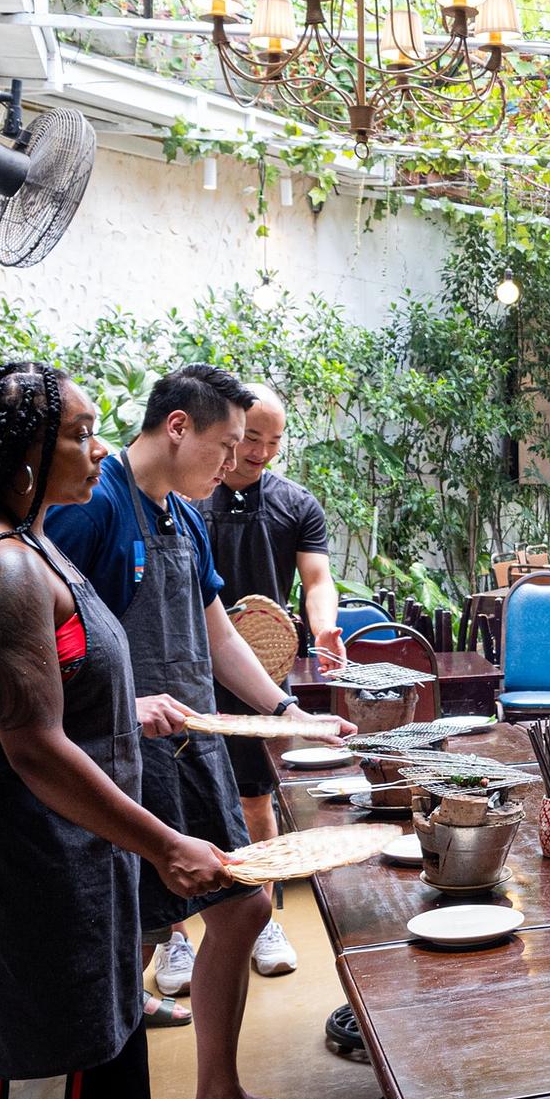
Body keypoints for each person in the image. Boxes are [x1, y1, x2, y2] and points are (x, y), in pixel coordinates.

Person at [0, 363, 232, 1099]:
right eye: (78, 434)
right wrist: (164, 842)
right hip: (20, 845)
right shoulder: (5, 569)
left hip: (69, 843)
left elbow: (35, 696)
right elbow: (32, 744)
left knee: (96, 1036)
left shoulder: (32, 540)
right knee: (39, 1068)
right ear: (23, 451)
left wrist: (123, 709)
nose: (99, 451)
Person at [45, 364, 350, 1099]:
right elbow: (50, 650)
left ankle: (215, 1098)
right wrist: (121, 709)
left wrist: (286, 712)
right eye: (226, 446)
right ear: (178, 427)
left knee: (243, 904)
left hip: (196, 748)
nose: (236, 463)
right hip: (123, 762)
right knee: (132, 936)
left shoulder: (184, 513)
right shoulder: (96, 508)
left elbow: (217, 635)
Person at [194, 384, 343, 980]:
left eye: (274, 441)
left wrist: (325, 627)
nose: (260, 452)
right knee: (176, 800)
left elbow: (316, 580)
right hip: (186, 668)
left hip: (258, 674)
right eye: (251, 438)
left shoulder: (296, 504)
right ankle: (177, 936)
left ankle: (265, 918)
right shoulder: (188, 499)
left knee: (256, 796)